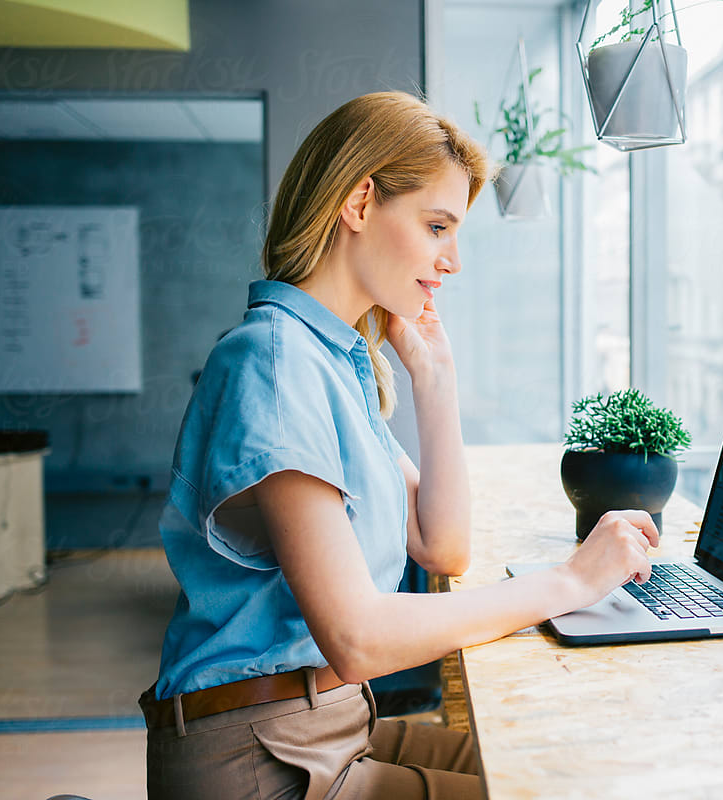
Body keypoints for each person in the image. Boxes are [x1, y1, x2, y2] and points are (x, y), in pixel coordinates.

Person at [137, 91, 660, 800]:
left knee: (552, 764)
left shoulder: (328, 361)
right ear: (358, 205)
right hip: (262, 753)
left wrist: (434, 379)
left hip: (323, 723)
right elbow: (358, 638)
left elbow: (441, 546)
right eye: (437, 225)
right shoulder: (273, 362)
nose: (453, 261)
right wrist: (570, 582)